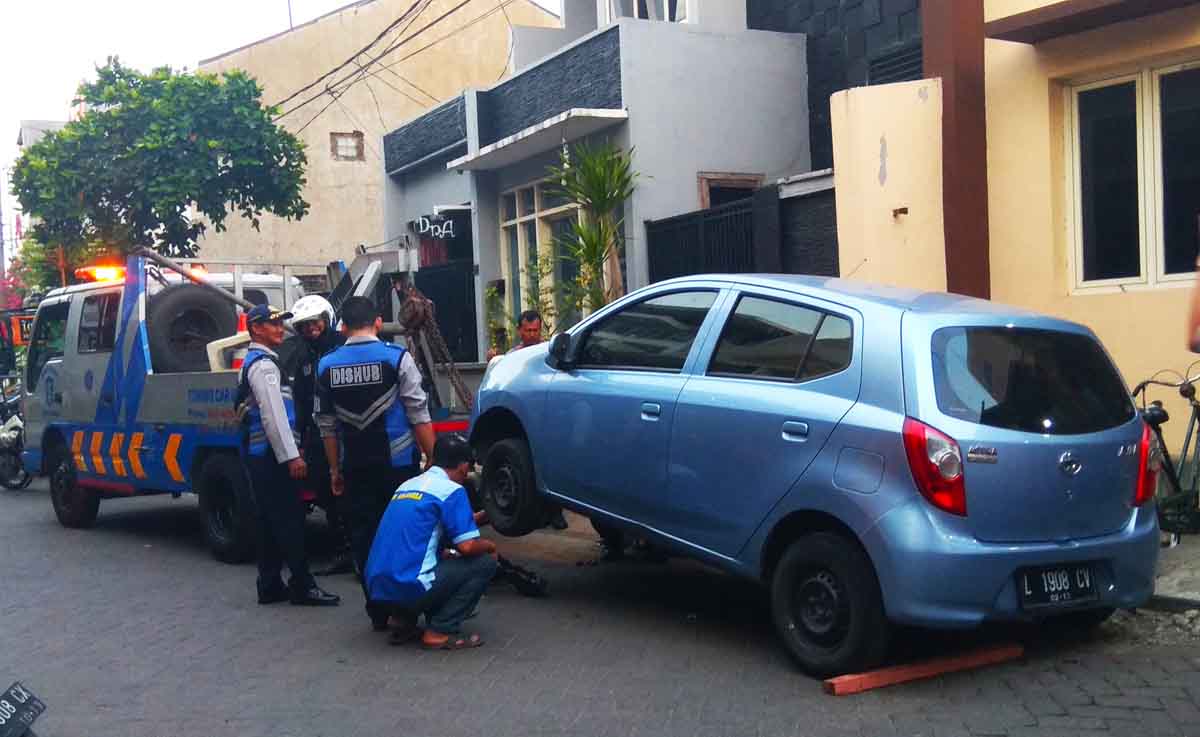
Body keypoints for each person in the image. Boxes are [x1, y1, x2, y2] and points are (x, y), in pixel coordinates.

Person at [315, 296, 436, 630]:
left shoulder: (326, 365)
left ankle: (378, 610)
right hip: (398, 466)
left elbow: (326, 426)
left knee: (365, 538)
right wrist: (435, 462)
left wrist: (334, 470)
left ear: (341, 327)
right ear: (378, 322)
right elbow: (418, 413)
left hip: (354, 467)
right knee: (402, 535)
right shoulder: (397, 358)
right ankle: (404, 610)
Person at [235, 304, 340, 607]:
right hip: (271, 457)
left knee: (268, 521)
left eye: (281, 324)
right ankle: (303, 585)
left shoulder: (257, 361)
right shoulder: (264, 366)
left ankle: (269, 584)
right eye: (273, 324)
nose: (280, 329)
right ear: (256, 329)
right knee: (290, 521)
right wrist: (291, 457)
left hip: (261, 456)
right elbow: (274, 417)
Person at [365, 433, 498, 649]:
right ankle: (440, 630)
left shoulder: (408, 485)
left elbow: (428, 529)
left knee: (438, 556)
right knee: (484, 562)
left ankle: (402, 620)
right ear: (464, 467)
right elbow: (467, 546)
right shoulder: (453, 490)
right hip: (411, 587)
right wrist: (491, 547)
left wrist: (484, 516)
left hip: (378, 587)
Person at [288, 295, 352, 576]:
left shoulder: (342, 349)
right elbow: (301, 401)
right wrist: (300, 442)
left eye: (314, 323)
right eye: (304, 326)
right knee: (325, 492)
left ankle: (355, 550)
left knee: (348, 492)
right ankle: (341, 549)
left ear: (326, 320)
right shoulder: (301, 356)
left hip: (343, 431)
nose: (310, 329)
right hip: (315, 435)